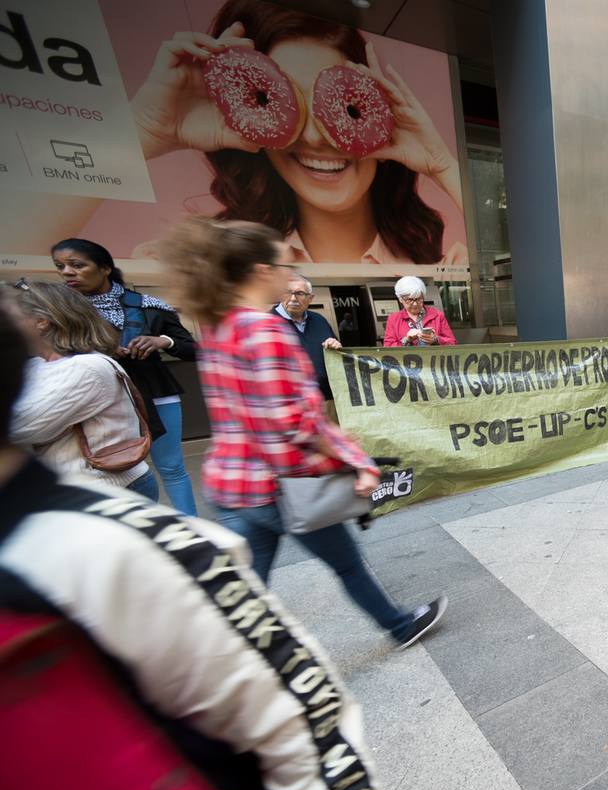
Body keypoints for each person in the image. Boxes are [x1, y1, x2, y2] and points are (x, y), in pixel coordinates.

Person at [0, 305, 381, 790]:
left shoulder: (96, 543)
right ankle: (394, 617)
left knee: (255, 603)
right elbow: (293, 419)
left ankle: (393, 617)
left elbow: (281, 686)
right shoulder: (255, 331)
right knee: (262, 596)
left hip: (250, 490)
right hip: (267, 488)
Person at [157, 216, 445, 647]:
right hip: (284, 485)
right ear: (261, 272)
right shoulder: (266, 330)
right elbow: (294, 420)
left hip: (234, 483)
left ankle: (231, 660)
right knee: (347, 565)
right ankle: (400, 626)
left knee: (249, 590)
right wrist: (357, 462)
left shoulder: (217, 326)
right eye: (283, 266)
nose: (292, 276)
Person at [130, 0, 465, 265]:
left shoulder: (445, 268)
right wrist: (146, 131)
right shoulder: (200, 267)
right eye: (284, 105)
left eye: (340, 109)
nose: (317, 137)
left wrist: (440, 163)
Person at [52, 238, 200, 515]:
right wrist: (96, 352)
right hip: (101, 402)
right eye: (60, 266)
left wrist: (163, 341)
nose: (66, 272)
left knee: (171, 467)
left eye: (77, 265)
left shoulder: (149, 305)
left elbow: (194, 349)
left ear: (105, 268)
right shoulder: (61, 312)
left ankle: (192, 529)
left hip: (157, 393)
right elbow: (47, 357)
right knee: (121, 471)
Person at [4, 282, 159, 502]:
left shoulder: (88, 367)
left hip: (109, 490)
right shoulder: (36, 365)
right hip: (71, 490)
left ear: (41, 321)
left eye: (11, 317)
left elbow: (23, 429)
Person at [275, 273, 342, 400]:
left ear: (310, 298)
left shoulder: (319, 320)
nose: (293, 298)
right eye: (288, 292)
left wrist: (336, 347)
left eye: (299, 293)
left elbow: (337, 354)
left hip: (326, 398)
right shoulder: (269, 322)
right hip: (290, 403)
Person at [383, 275, 456, 347]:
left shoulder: (437, 315)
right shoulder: (394, 319)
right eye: (409, 300)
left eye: (418, 299)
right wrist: (407, 340)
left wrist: (436, 340)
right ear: (400, 299)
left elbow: (452, 342)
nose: (415, 304)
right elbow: (388, 348)